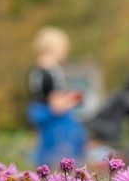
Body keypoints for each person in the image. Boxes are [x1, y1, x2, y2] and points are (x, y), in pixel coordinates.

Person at [26, 27, 85, 166]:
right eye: (63, 47)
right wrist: (73, 99)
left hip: (39, 117)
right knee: (62, 162)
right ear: (52, 48)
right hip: (57, 123)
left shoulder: (34, 71)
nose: (65, 51)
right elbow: (56, 106)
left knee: (44, 160)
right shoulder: (54, 72)